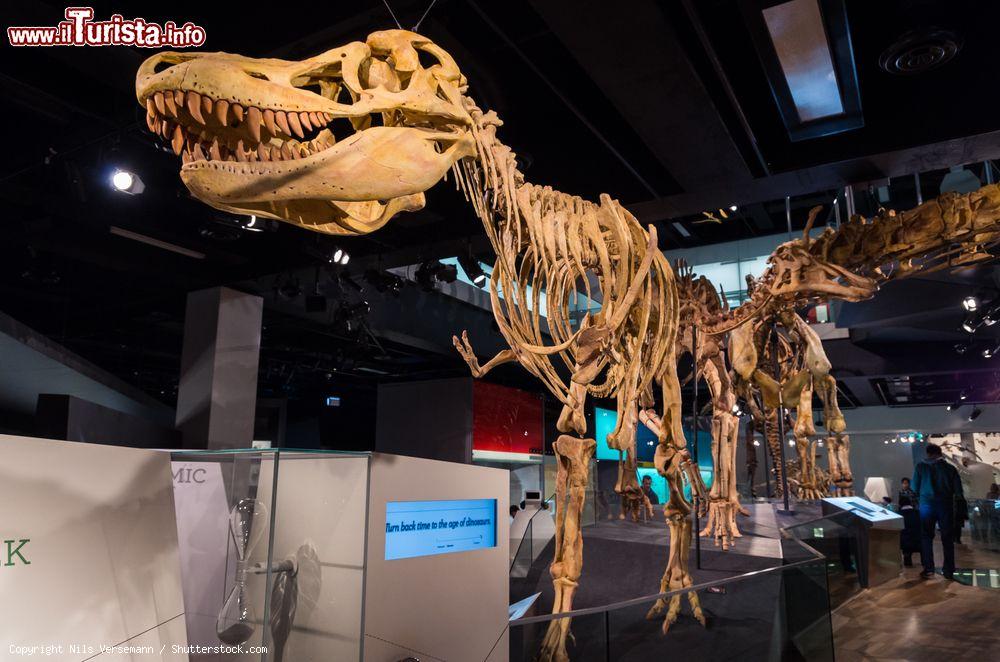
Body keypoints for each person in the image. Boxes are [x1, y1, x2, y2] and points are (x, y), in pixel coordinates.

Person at [912, 443, 964, 580]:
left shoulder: (920, 467)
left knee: (926, 536)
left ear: (928, 453)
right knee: (947, 538)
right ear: (940, 453)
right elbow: (958, 490)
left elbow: (914, 487)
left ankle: (928, 568)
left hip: (926, 505)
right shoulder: (950, 468)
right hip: (945, 505)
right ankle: (948, 570)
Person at [898, 495, 920, 567]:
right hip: (917, 539)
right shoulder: (917, 513)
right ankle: (924, 562)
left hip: (905, 541)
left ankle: (907, 560)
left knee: (905, 540)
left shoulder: (899, 514)